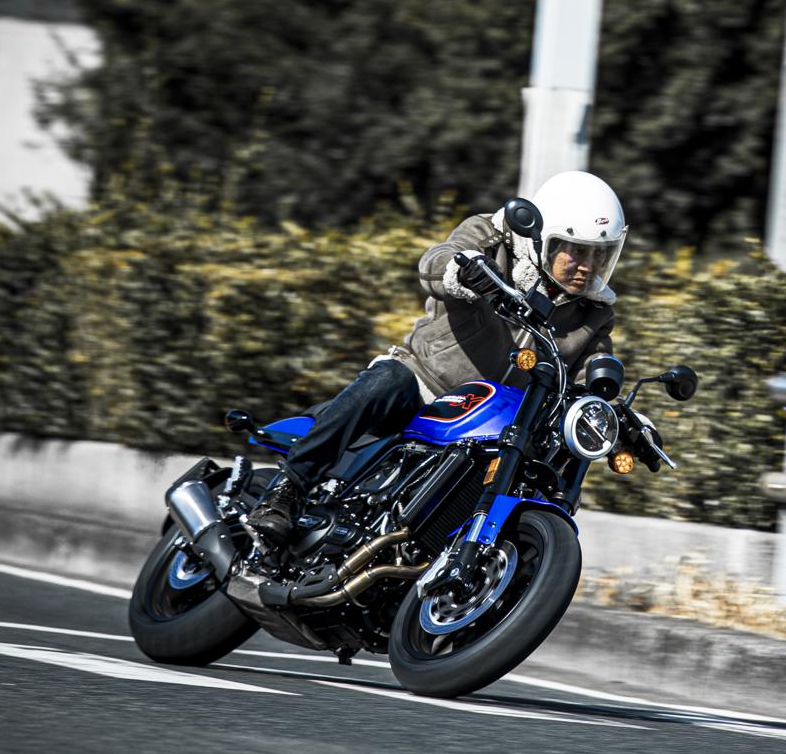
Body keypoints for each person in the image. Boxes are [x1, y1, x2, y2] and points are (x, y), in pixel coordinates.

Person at [245, 170, 627, 546]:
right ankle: (287, 490)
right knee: (386, 381)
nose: (588, 266)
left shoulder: (594, 312)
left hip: (496, 418)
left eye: (600, 254)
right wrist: (466, 271)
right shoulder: (491, 235)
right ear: (544, 239)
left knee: (556, 449)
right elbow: (436, 261)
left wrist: (613, 414)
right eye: (577, 250)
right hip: (428, 381)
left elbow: (594, 369)